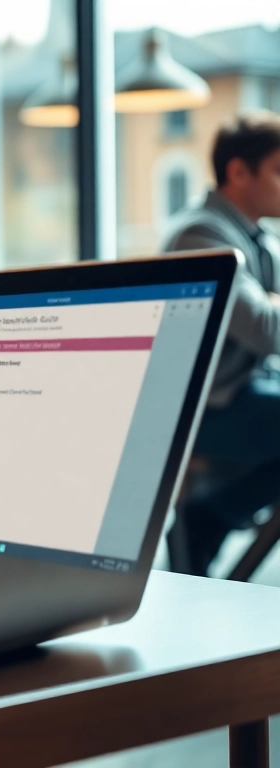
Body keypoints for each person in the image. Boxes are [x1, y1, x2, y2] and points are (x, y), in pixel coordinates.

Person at [163, 112, 280, 575]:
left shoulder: (260, 241)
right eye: (279, 170)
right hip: (202, 410)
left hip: (244, 394)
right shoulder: (200, 235)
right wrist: (270, 305)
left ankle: (214, 519)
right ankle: (212, 518)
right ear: (238, 172)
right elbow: (267, 328)